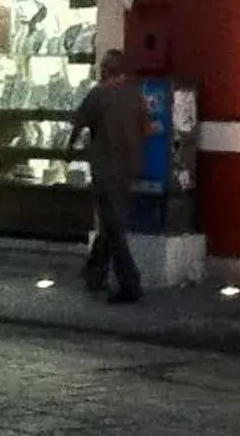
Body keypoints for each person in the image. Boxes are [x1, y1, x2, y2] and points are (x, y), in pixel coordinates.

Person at [67, 49, 146, 303]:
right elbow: (148, 128)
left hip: (105, 170)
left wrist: (68, 151)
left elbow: (78, 124)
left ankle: (130, 284)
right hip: (129, 169)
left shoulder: (98, 95)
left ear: (105, 70)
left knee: (113, 229)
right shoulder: (136, 95)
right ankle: (95, 273)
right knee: (110, 223)